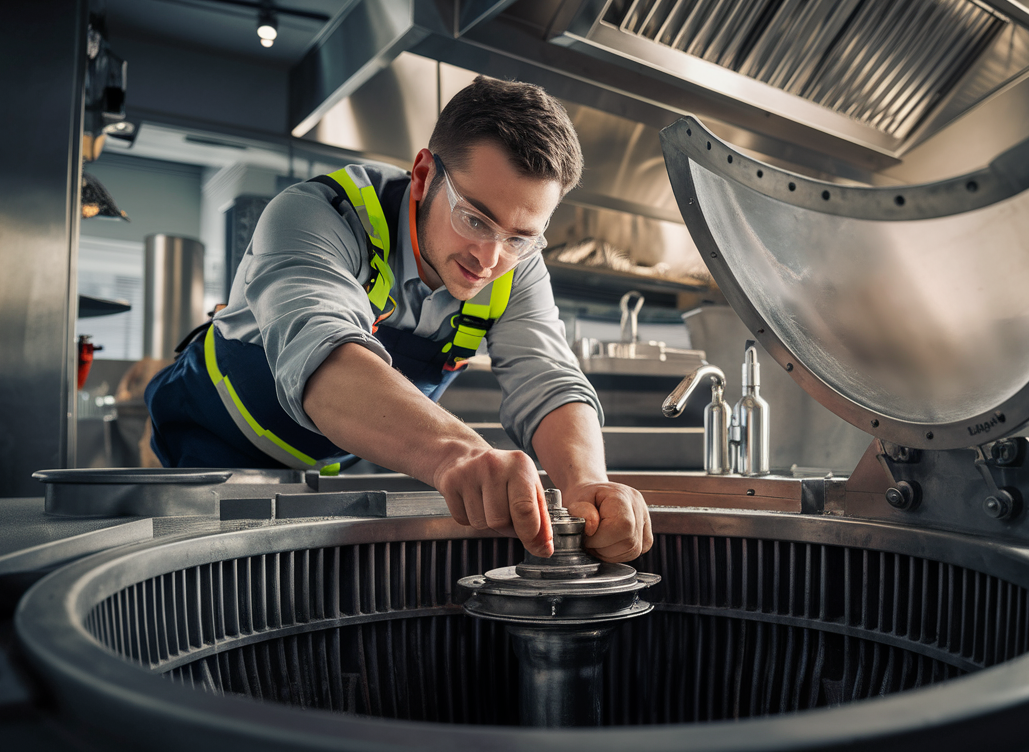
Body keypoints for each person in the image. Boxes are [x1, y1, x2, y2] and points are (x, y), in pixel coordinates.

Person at [145, 76, 652, 563]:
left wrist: (586, 482)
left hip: (330, 467)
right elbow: (323, 361)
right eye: (474, 219)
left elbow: (547, 378)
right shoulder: (315, 216)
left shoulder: (516, 266)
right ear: (424, 176)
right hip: (210, 454)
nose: (490, 257)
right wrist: (460, 455)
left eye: (519, 238)